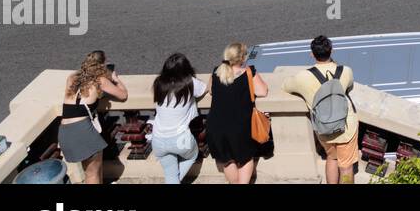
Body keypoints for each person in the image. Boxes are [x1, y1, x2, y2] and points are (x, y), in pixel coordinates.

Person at [281, 36, 359, 185]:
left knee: (331, 158)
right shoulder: (345, 71)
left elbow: (285, 86)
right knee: (346, 167)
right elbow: (349, 87)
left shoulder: (303, 77)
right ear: (331, 51)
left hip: (323, 127)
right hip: (346, 126)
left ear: (312, 54)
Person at [59, 50, 128, 184]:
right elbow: (123, 96)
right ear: (101, 65)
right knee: (92, 174)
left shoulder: (72, 78)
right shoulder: (100, 81)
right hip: (82, 131)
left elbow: (81, 95)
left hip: (65, 131)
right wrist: (115, 79)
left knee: (91, 171)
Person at [206, 42, 268, 184]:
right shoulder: (248, 72)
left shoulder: (216, 72)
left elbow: (210, 90)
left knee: (227, 160)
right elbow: (262, 91)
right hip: (240, 126)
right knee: (245, 158)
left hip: (216, 126)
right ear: (243, 58)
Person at [150, 52, 208, 184]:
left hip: (158, 139)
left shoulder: (158, 83)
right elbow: (204, 89)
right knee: (191, 157)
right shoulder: (190, 83)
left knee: (171, 175)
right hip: (180, 139)